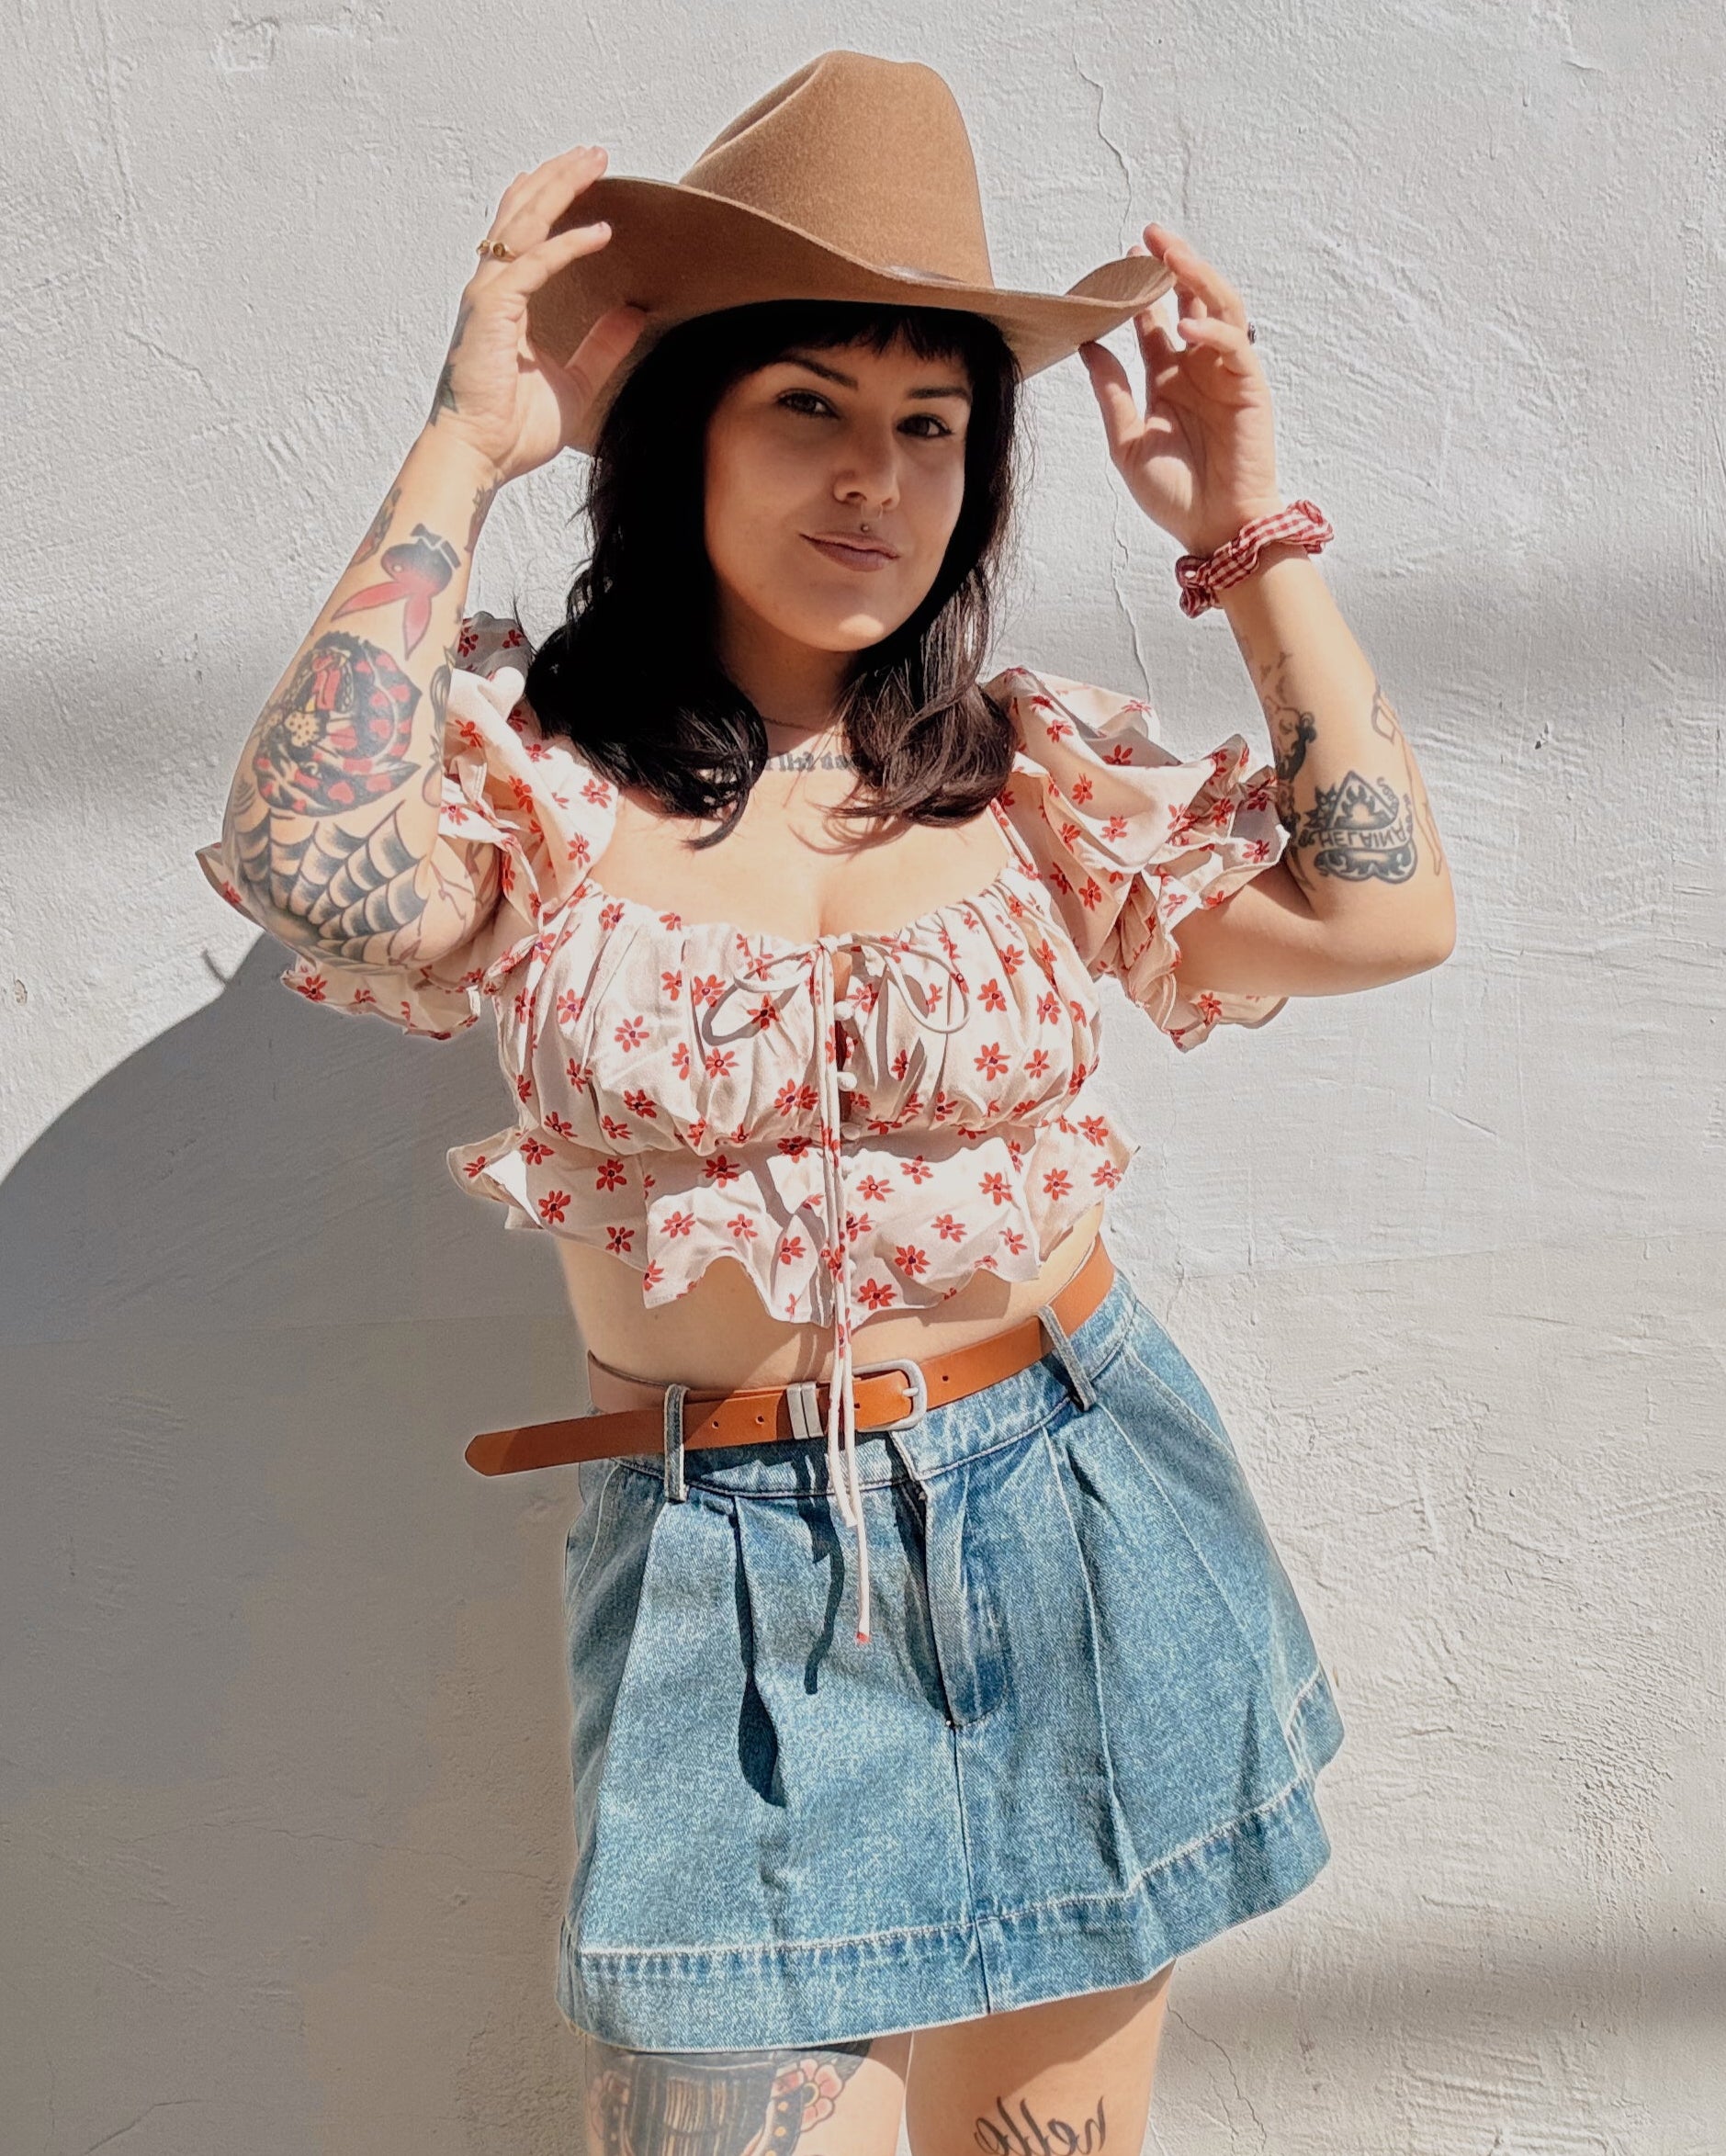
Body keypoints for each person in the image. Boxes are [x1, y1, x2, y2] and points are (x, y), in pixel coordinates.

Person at [197, 50, 1454, 2156]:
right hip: (723, 1567)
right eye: (809, 406)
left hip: (1074, 1508)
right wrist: (463, 444)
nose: (876, 478)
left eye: (930, 424)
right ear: (683, 424)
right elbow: (306, 860)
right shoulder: (537, 779)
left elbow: (1380, 913)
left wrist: (1247, 530)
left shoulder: (1027, 775)